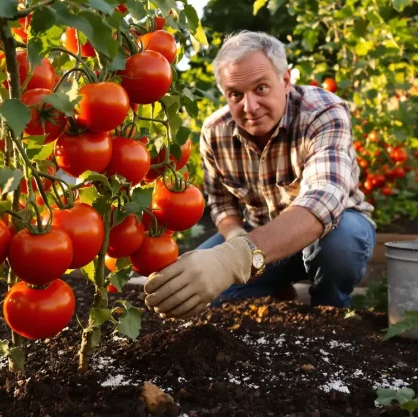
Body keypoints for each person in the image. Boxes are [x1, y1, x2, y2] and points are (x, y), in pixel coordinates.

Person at [143, 31, 376, 319]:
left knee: (342, 243)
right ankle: (277, 292)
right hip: (260, 243)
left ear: (286, 80)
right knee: (202, 296)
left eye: (261, 88)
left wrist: (233, 260)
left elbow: (322, 202)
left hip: (330, 232)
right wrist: (235, 238)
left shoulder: (322, 112)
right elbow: (221, 204)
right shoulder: (215, 132)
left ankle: (329, 314)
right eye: (235, 95)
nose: (249, 107)